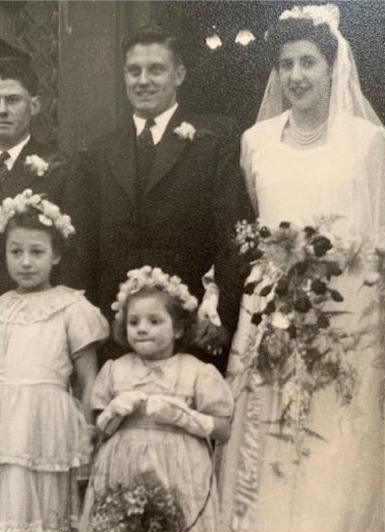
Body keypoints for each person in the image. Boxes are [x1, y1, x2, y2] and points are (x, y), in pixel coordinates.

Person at [217, 5, 385, 532]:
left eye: (308, 63)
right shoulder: (257, 141)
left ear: (332, 67)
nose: (296, 76)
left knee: (332, 433)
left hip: (345, 316)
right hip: (272, 313)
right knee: (269, 433)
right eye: (286, 64)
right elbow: (255, 225)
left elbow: (382, 241)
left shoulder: (367, 142)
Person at [75, 25, 253, 372]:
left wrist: (222, 315)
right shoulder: (101, 150)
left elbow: (234, 237)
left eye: (156, 69)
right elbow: (87, 246)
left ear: (179, 74)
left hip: (191, 325)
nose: (143, 80)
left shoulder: (214, 140)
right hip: (119, 327)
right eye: (133, 70)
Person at [77, 266, 233, 532]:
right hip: (123, 471)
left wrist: (184, 416)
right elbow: (98, 432)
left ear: (179, 328)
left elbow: (224, 430)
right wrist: (112, 412)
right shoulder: (115, 370)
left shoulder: (196, 371)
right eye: (134, 322)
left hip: (179, 471)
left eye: (154, 321)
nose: (142, 329)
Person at [0, 190, 107, 532]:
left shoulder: (71, 307)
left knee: (46, 519)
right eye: (16, 252)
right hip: (5, 419)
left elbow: (88, 379)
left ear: (56, 255)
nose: (25, 262)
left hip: (47, 422)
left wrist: (91, 431)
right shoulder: (2, 307)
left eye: (37, 252)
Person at [0, 58, 88, 293]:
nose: (2, 110)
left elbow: (74, 254)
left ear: (34, 105)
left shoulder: (61, 169)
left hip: (30, 310)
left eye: (13, 100)